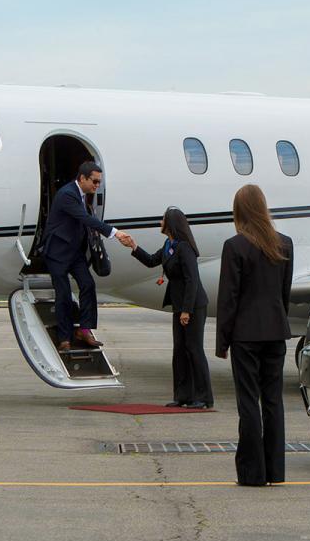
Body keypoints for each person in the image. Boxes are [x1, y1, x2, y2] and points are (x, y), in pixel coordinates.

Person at [215, 184, 294, 487]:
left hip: (246, 334)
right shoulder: (284, 244)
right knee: (273, 401)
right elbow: (283, 293)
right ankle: (276, 470)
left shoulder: (235, 246)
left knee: (248, 402)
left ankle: (252, 472)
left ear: (239, 211)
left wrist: (222, 341)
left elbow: (229, 298)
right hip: (275, 331)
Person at [42, 161, 133, 351]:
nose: (97, 186)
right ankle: (64, 337)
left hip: (75, 252)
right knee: (64, 295)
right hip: (57, 253)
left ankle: (84, 330)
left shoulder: (82, 195)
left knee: (88, 285)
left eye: (99, 182)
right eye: (95, 181)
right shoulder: (67, 194)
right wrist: (114, 232)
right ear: (82, 178)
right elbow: (85, 219)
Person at [128, 207, 213, 409]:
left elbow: (192, 280)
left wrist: (187, 310)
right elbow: (150, 261)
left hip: (192, 305)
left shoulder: (185, 248)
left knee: (194, 349)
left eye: (163, 220)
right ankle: (183, 396)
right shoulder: (169, 245)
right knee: (179, 351)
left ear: (171, 224)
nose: (160, 223)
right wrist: (133, 246)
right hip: (179, 305)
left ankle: (204, 397)